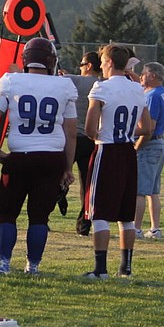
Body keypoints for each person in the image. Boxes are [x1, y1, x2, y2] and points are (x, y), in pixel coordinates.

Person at [0, 38, 77, 275]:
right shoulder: (64, 86)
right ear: (50, 61)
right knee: (40, 216)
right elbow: (71, 133)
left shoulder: (12, 82)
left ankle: (4, 263)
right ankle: (32, 266)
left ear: (26, 60)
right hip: (52, 157)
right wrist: (67, 166)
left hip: (20, 155)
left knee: (6, 212)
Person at [84, 44, 153, 279]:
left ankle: (100, 269)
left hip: (108, 150)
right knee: (126, 215)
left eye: (102, 61)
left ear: (110, 62)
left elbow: (90, 129)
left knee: (100, 212)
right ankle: (126, 268)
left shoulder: (101, 87)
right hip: (127, 151)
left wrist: (106, 131)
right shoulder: (136, 89)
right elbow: (147, 128)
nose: (101, 65)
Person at [134, 61, 164, 240]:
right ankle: (155, 228)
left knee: (139, 190)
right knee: (153, 190)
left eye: (144, 73)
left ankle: (136, 229)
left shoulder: (153, 96)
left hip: (149, 146)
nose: (141, 76)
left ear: (153, 76)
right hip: (160, 144)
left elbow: (149, 127)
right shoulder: (162, 92)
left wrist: (137, 146)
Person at [69, 51, 101, 236]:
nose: (79, 68)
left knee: (57, 177)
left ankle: (44, 217)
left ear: (88, 66)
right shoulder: (103, 84)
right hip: (93, 139)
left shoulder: (75, 81)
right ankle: (84, 225)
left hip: (72, 138)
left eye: (82, 64)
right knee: (87, 185)